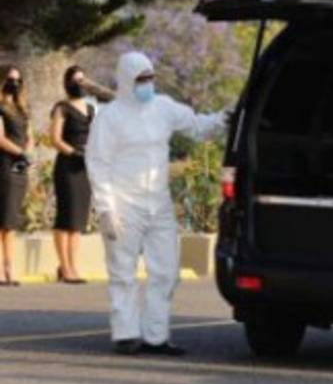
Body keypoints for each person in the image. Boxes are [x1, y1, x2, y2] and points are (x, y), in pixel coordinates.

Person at [86, 51, 229, 356]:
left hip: (159, 203)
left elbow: (196, 125)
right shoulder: (110, 118)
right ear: (126, 81)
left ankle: (156, 336)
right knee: (123, 272)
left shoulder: (162, 107)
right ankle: (126, 334)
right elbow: (97, 163)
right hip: (125, 205)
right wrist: (106, 209)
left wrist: (224, 119)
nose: (147, 84)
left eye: (150, 78)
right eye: (141, 79)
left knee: (165, 272)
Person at [50, 65, 112, 284]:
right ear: (67, 83)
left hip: (86, 168)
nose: (80, 85)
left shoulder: (91, 108)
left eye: (83, 80)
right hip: (68, 166)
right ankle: (64, 267)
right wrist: (74, 153)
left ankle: (73, 266)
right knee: (65, 217)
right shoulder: (61, 108)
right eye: (76, 81)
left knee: (77, 220)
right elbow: (55, 139)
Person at [0, 63, 34, 286]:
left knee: (10, 222)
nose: (14, 83)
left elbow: (29, 134)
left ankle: (10, 269)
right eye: (10, 79)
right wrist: (20, 152)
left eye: (18, 80)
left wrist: (28, 152)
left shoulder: (22, 109)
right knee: (1, 220)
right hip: (4, 164)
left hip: (20, 167)